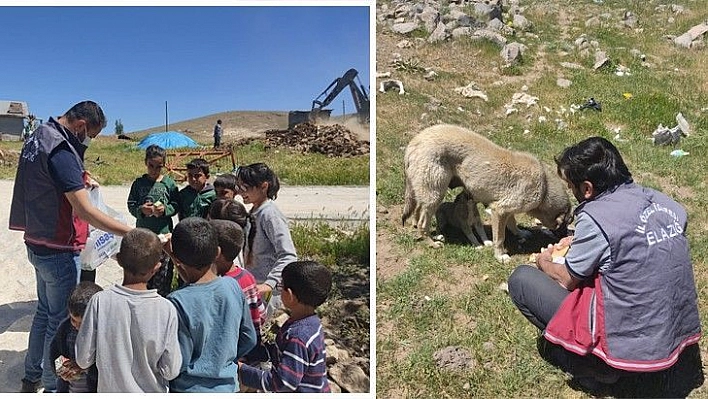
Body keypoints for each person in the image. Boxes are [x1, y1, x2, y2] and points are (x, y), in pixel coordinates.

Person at [507, 137, 702, 389]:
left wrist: (544, 261)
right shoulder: (667, 204)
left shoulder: (596, 217)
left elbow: (567, 277)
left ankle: (597, 366)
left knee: (522, 280)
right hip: (673, 337)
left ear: (587, 189)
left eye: (571, 187)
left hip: (630, 350)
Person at [9, 100, 133, 393]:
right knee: (61, 321)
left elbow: (50, 181)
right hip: (58, 248)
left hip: (37, 241)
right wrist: (130, 232)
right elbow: (86, 212)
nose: (89, 142)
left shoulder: (39, 136)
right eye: (90, 135)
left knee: (43, 312)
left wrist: (80, 180)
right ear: (80, 126)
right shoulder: (62, 149)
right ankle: (53, 386)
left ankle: (31, 374)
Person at [75, 228, 182, 392]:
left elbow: (83, 359)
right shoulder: (166, 309)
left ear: (118, 260)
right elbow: (170, 370)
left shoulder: (100, 301)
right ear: (156, 268)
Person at [166, 217, 257, 393]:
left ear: (177, 259)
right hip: (228, 387)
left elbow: (179, 360)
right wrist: (222, 360)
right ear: (217, 253)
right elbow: (249, 338)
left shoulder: (176, 301)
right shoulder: (232, 286)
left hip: (189, 389)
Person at [238, 261, 332, 393]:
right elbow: (284, 352)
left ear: (290, 295)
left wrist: (242, 370)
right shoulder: (311, 322)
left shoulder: (298, 336)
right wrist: (259, 350)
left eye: (281, 286)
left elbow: (282, 383)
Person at [235, 163, 297, 316]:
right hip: (254, 287)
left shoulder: (270, 215)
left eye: (245, 187)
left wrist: (269, 284)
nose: (240, 192)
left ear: (263, 186)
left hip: (268, 293)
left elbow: (288, 255)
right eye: (239, 187)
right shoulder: (254, 212)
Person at [210, 219, 268, 364]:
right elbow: (261, 315)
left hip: (235, 354)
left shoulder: (221, 285)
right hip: (253, 350)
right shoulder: (246, 276)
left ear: (216, 253)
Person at [127, 144, 179, 297]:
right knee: (143, 270)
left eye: (159, 167)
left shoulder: (169, 184)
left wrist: (166, 210)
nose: (154, 170)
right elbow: (131, 205)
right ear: (145, 162)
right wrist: (141, 210)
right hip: (143, 236)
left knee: (162, 274)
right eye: (151, 165)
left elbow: (176, 205)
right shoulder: (138, 184)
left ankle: (162, 299)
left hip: (163, 236)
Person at [49, 281, 102, 393]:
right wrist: (61, 370)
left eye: (83, 324)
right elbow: (54, 353)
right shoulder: (65, 328)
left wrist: (85, 368)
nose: (77, 326)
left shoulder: (104, 335)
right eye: (73, 320)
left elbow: (109, 368)